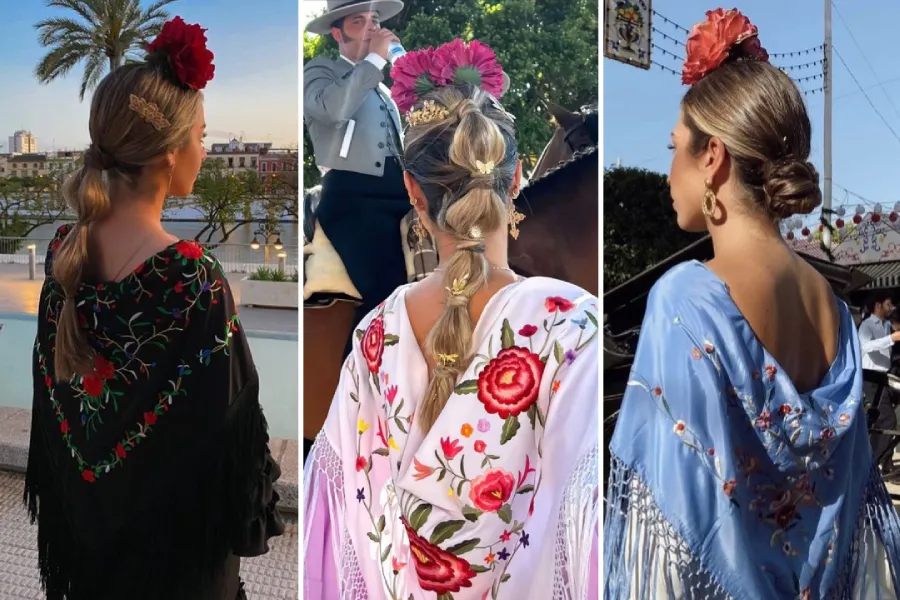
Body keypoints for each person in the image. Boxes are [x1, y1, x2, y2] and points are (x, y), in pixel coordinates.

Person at [604, 9, 900, 599]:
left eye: (674, 149)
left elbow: (664, 523)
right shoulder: (834, 309)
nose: (668, 173)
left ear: (711, 157)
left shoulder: (687, 302)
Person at [303, 39, 599, 599]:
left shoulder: (375, 332)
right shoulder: (573, 325)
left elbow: (343, 518)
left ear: (413, 192)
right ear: (514, 184)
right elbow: (580, 525)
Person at [25, 17, 284, 600]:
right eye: (202, 135)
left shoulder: (66, 255)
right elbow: (231, 435)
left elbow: (56, 417)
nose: (205, 149)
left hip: (87, 563)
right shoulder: (193, 280)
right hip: (177, 569)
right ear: (169, 154)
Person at [303, 0, 410, 353]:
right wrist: (375, 60)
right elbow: (334, 110)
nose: (371, 28)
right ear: (337, 33)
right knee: (386, 291)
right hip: (353, 200)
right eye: (358, 21)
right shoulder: (320, 71)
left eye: (374, 21)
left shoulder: (383, 91)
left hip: (401, 196)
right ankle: (361, 387)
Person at [860, 290, 900, 474]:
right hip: (870, 378)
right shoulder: (866, 326)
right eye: (888, 304)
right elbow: (866, 347)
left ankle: (883, 461)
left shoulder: (887, 325)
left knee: (879, 421)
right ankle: (878, 462)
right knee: (886, 419)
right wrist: (891, 339)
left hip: (884, 378)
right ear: (878, 305)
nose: (890, 307)